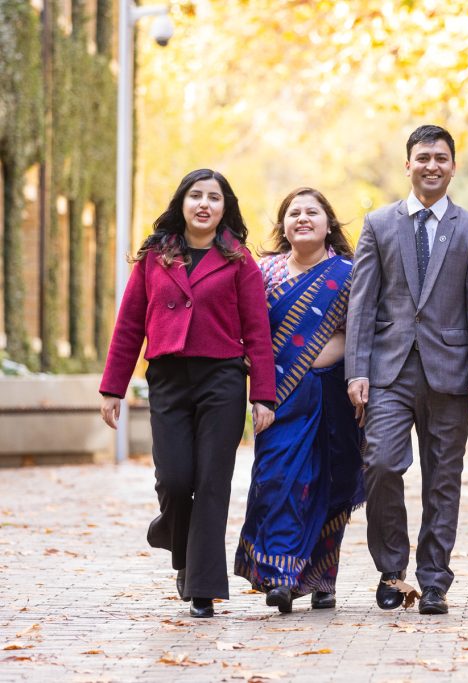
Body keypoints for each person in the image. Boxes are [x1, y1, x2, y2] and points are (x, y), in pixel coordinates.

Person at [99, 169, 275, 619]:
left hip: (223, 380)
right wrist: (113, 387)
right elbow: (129, 324)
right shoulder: (156, 256)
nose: (203, 204)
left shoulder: (239, 261)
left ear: (224, 207)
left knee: (212, 483)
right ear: (181, 202)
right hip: (169, 380)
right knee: (175, 480)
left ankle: (202, 587)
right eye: (195, 195)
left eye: (213, 198)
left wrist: (263, 395)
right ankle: (176, 540)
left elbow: (257, 332)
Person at [346, 124, 468, 616]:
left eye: (441, 158)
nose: (432, 165)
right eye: (423, 157)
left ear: (453, 166)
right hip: (388, 370)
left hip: (450, 372)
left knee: (442, 479)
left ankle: (434, 581)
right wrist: (356, 370)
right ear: (407, 165)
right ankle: (392, 569)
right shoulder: (379, 224)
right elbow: (362, 304)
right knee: (383, 464)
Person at [234, 188, 366, 614]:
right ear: (283, 224)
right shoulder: (263, 272)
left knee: (329, 483)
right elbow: (248, 331)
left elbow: (361, 335)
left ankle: (322, 577)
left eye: (313, 212)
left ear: (329, 223)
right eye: (294, 213)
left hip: (332, 396)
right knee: (278, 479)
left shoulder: (350, 274)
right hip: (278, 399)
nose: (303, 218)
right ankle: (281, 576)